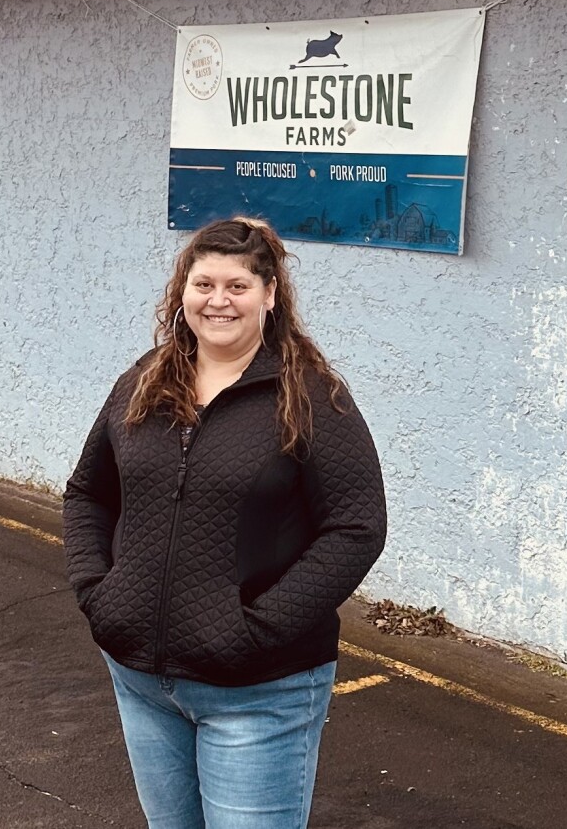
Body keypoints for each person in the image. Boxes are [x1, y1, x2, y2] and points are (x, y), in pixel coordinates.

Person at [63, 216, 387, 829]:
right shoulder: (143, 382)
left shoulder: (312, 396)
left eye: (237, 286)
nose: (218, 301)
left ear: (269, 294)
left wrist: (258, 632)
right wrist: (99, 594)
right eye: (203, 283)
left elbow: (356, 528)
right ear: (181, 291)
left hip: (260, 691)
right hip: (141, 680)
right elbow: (87, 493)